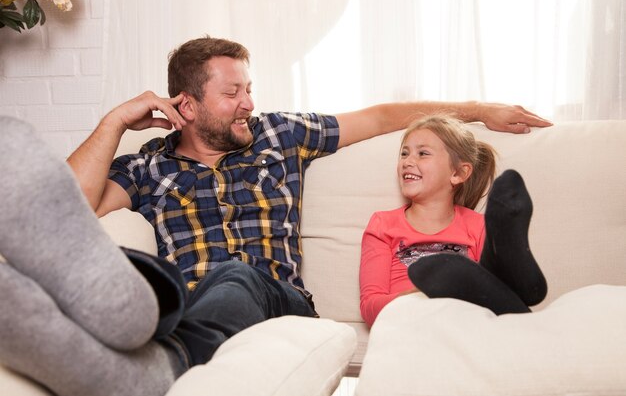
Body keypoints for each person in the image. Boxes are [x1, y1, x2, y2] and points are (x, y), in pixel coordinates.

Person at [0, 36, 552, 396]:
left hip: (283, 305)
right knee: (159, 281)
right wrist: (116, 121)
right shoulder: (148, 167)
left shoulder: (279, 136)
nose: (248, 102)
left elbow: (382, 116)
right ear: (185, 107)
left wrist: (479, 110)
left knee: (236, 275)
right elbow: (67, 208)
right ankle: (123, 323)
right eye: (232, 92)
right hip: (192, 304)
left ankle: (158, 362)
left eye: (249, 88)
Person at [360, 115, 548, 327]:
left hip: (465, 319)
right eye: (404, 153)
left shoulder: (477, 225)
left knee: (489, 293)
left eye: (422, 153)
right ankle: (526, 284)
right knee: (498, 293)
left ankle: (515, 270)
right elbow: (370, 307)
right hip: (410, 319)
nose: (407, 161)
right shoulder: (383, 224)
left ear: (458, 173)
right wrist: (422, 293)